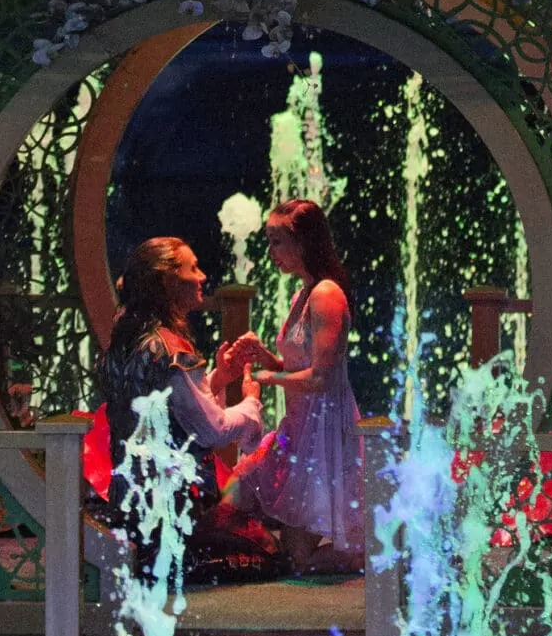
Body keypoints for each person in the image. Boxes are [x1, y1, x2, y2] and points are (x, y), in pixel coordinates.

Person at [98, 235, 272, 572]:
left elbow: (171, 411)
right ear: (167, 282)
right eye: (193, 269)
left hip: (131, 506)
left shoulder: (125, 336)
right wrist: (251, 405)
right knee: (270, 552)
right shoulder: (170, 347)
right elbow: (213, 430)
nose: (203, 276)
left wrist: (220, 377)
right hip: (176, 513)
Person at [228, 198, 364, 573]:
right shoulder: (301, 294)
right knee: (241, 499)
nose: (271, 252)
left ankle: (361, 556)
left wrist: (270, 378)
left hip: (324, 432)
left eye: (277, 242)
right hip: (299, 428)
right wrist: (267, 359)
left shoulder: (325, 294)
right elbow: (298, 365)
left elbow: (321, 377)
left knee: (302, 560)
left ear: (303, 243)